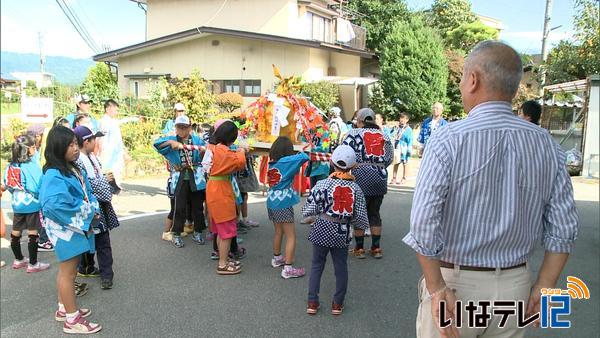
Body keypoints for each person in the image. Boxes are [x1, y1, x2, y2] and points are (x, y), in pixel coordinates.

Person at [403, 40, 579, 338]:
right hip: (515, 288)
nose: (460, 85)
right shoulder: (546, 144)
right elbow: (564, 228)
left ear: (473, 80)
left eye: (462, 78)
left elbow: (423, 224)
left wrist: (435, 287)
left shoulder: (448, 140)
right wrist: (544, 285)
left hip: (455, 287)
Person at [40, 126, 102, 334]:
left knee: (70, 271)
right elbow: (53, 205)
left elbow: (88, 191)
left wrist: (92, 207)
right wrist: (88, 210)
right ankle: (72, 319)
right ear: (58, 147)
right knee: (68, 273)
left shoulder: (69, 168)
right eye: (70, 145)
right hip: (65, 230)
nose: (75, 148)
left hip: (72, 227)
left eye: (76, 143)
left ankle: (63, 309)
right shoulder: (53, 174)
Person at [302, 145, 369, 315]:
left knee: (317, 265)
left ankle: (312, 302)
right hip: (342, 229)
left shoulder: (322, 184)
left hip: (322, 226)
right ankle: (337, 304)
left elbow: (309, 210)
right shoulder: (356, 189)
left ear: (331, 162)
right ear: (353, 166)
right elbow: (360, 219)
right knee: (341, 267)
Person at [342, 108, 393, 259]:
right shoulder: (384, 135)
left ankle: (359, 249)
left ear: (360, 121)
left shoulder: (353, 134)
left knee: (359, 213)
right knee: (374, 213)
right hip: (380, 177)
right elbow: (389, 158)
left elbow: (344, 153)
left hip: (361, 177)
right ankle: (376, 248)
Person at [73, 126, 120, 290]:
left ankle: (88, 267)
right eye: (94, 139)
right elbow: (87, 184)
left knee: (91, 238)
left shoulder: (90, 157)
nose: (96, 142)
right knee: (102, 241)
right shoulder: (79, 160)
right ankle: (105, 275)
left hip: (93, 205)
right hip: (92, 206)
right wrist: (104, 180)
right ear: (86, 142)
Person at [153, 115, 207, 248]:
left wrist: (201, 153)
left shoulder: (196, 140)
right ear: (175, 127)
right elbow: (156, 144)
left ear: (190, 128)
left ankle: (198, 231)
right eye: (179, 127)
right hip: (180, 177)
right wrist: (171, 144)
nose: (181, 130)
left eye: (184, 127)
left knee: (198, 206)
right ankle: (176, 233)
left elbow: (206, 152)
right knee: (179, 206)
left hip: (196, 177)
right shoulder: (172, 139)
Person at [3, 135, 50, 273]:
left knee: (15, 231)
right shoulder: (30, 166)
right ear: (29, 149)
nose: (35, 149)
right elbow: (38, 186)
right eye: (34, 147)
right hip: (32, 203)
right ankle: (33, 263)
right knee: (33, 232)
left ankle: (18, 259)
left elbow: (8, 184)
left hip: (17, 203)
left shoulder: (11, 165)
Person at [205, 120, 247, 275]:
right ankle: (222, 264)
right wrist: (242, 150)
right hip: (221, 190)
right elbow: (240, 162)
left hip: (213, 188)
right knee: (227, 229)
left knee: (219, 227)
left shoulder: (213, 147)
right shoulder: (225, 152)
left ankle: (223, 258)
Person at [267, 136, 309, 279]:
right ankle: (288, 268)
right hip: (283, 202)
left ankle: (277, 258)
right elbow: (304, 157)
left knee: (278, 232)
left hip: (272, 200)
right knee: (291, 235)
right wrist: (298, 152)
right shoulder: (286, 161)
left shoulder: (273, 163)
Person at [26, 124, 54, 251]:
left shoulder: (37, 153)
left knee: (40, 220)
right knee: (40, 220)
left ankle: (43, 240)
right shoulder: (33, 158)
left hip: (37, 193)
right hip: (36, 195)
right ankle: (43, 241)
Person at [98, 99, 135, 186]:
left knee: (117, 180)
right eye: (115, 110)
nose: (116, 112)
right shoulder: (103, 122)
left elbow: (118, 139)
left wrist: (124, 151)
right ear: (108, 109)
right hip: (108, 156)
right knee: (110, 181)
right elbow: (101, 140)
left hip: (116, 156)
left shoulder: (112, 122)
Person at [390, 113, 413, 185]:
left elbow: (410, 140)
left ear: (407, 120)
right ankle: (394, 178)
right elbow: (391, 134)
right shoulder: (396, 127)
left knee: (405, 162)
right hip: (397, 146)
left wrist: (409, 149)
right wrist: (394, 129)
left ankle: (404, 178)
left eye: (404, 118)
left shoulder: (408, 129)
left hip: (404, 147)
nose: (402, 120)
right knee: (396, 162)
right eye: (401, 118)